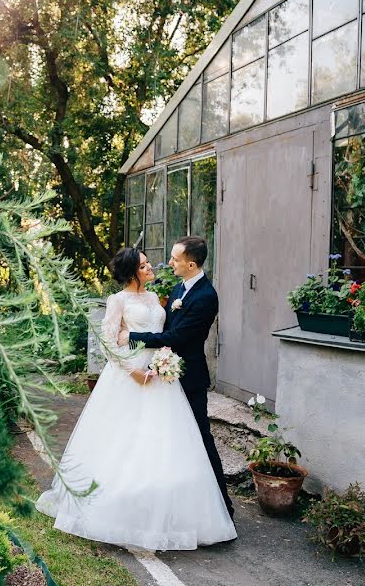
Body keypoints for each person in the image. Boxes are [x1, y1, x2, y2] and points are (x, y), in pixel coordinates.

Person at [35, 247, 236, 551]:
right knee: (124, 439)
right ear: (132, 272)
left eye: (148, 263)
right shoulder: (118, 301)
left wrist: (149, 352)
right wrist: (132, 371)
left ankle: (168, 506)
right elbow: (107, 342)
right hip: (130, 376)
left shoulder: (157, 298)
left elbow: (169, 333)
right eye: (144, 265)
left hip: (161, 375)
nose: (152, 266)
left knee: (166, 442)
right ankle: (119, 508)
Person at [119, 236, 235, 519]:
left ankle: (222, 506)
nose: (169, 262)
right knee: (165, 440)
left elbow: (176, 337)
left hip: (189, 377)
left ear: (191, 263)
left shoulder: (206, 296)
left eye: (175, 258)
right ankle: (167, 503)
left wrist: (131, 336)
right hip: (164, 374)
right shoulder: (178, 288)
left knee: (200, 438)